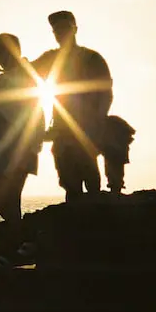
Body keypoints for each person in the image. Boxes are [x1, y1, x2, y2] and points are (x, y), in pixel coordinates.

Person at [31, 11, 113, 202]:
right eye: (56, 30)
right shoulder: (50, 58)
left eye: (64, 28)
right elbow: (24, 75)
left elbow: (106, 93)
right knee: (70, 184)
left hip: (87, 130)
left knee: (90, 180)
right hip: (62, 130)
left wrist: (97, 121)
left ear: (74, 29)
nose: (60, 33)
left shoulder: (92, 58)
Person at [0, 34, 44, 271]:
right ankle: (26, 242)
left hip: (19, 146)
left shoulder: (26, 77)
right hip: (1, 146)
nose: (1, 56)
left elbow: (36, 110)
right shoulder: (3, 79)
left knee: (9, 198)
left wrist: (33, 144)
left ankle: (21, 247)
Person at [102, 115, 136, 194]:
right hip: (116, 148)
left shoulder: (109, 122)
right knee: (115, 171)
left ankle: (115, 188)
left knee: (114, 170)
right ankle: (116, 188)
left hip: (116, 149)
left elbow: (131, 132)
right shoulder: (110, 121)